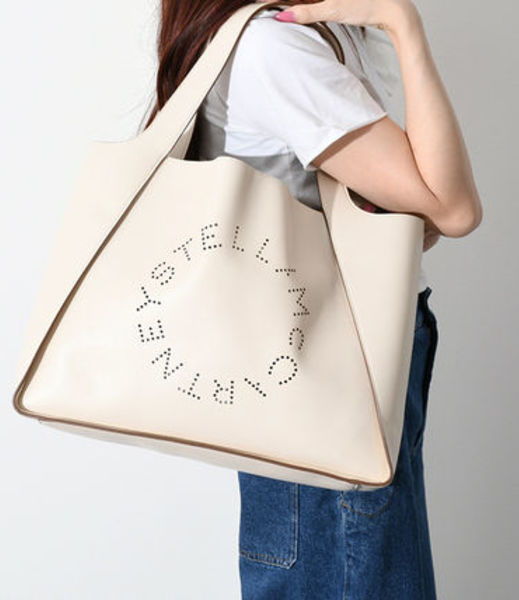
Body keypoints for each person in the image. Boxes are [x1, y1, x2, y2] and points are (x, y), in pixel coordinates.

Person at [140, 1, 483, 597]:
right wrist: (404, 26)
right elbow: (453, 209)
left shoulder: (311, 33)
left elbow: (421, 208)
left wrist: (410, 204)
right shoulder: (273, 49)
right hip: (334, 363)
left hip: (326, 358)